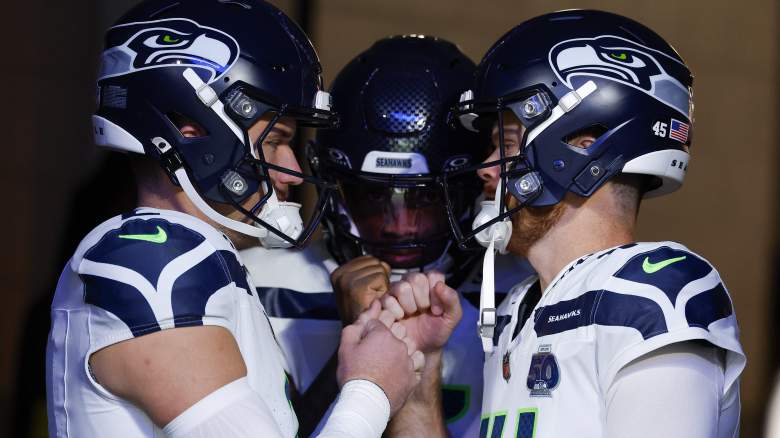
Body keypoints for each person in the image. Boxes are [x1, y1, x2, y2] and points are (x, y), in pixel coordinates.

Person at [45, 1, 424, 437]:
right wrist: (371, 388)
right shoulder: (152, 261)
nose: (292, 170)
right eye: (275, 140)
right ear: (191, 128)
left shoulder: (202, 259)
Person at [386, 9, 746, 438]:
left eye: (506, 144)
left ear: (580, 151)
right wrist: (419, 376)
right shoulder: (519, 307)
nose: (486, 168)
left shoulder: (654, 294)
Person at [240, 35, 533, 437]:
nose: (400, 226)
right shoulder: (260, 284)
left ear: (475, 185)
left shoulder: (523, 295)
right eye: (374, 198)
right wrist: (357, 339)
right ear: (334, 189)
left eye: (426, 199)